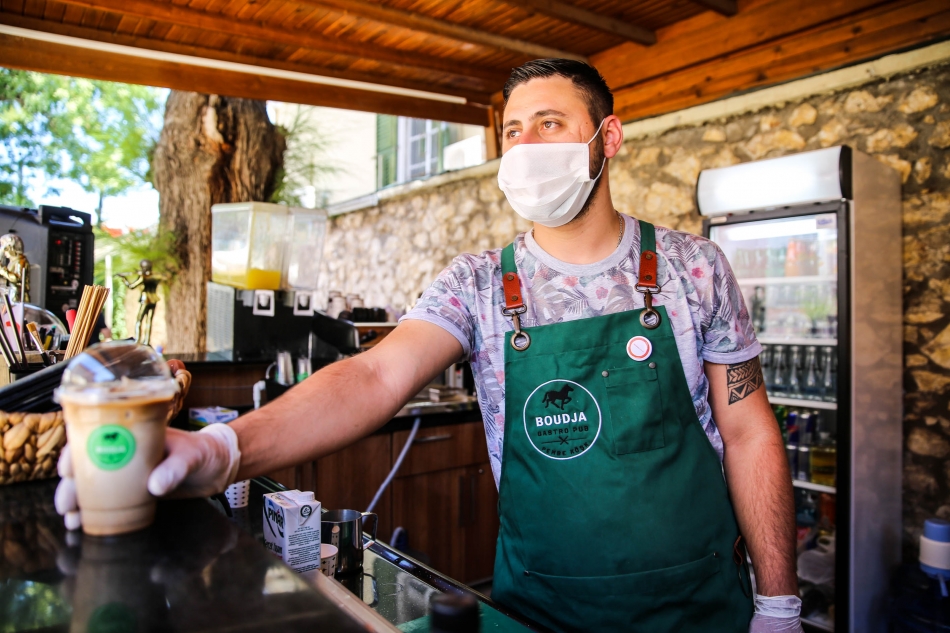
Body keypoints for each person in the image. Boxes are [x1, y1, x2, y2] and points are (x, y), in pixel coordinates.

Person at [56, 60, 801, 632]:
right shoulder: (477, 285)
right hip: (541, 613)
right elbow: (374, 376)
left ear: (607, 139)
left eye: (550, 124)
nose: (526, 147)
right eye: (514, 132)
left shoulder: (694, 269)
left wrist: (778, 603)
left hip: (700, 610)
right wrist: (222, 450)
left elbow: (748, 430)